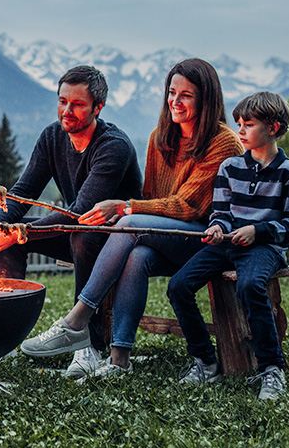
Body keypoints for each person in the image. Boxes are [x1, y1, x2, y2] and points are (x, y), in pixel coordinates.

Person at [19, 58, 242, 378]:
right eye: (171, 92)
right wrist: (134, 209)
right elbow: (152, 198)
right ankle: (119, 360)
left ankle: (77, 320)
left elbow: (189, 206)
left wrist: (125, 207)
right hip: (169, 238)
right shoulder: (160, 138)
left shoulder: (223, 142)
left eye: (186, 96)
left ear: (206, 99)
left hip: (206, 240)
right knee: (136, 255)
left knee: (129, 222)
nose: (175, 102)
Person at [0, 65, 142, 377]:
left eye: (77, 104)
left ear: (98, 108)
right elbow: (22, 193)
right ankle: (5, 335)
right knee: (12, 241)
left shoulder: (113, 146)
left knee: (81, 235)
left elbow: (78, 213)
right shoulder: (52, 137)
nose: (67, 110)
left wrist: (19, 233)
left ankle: (88, 345)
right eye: (63, 101)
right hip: (80, 231)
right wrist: (1, 226)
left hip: (120, 241)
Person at [165, 91, 289, 401]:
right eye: (238, 124)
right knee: (179, 286)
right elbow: (222, 213)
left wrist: (258, 231)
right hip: (227, 245)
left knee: (250, 286)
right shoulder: (229, 168)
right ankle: (204, 360)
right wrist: (218, 228)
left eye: (248, 125)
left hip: (264, 248)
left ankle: (271, 368)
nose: (239, 131)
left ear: (274, 127)